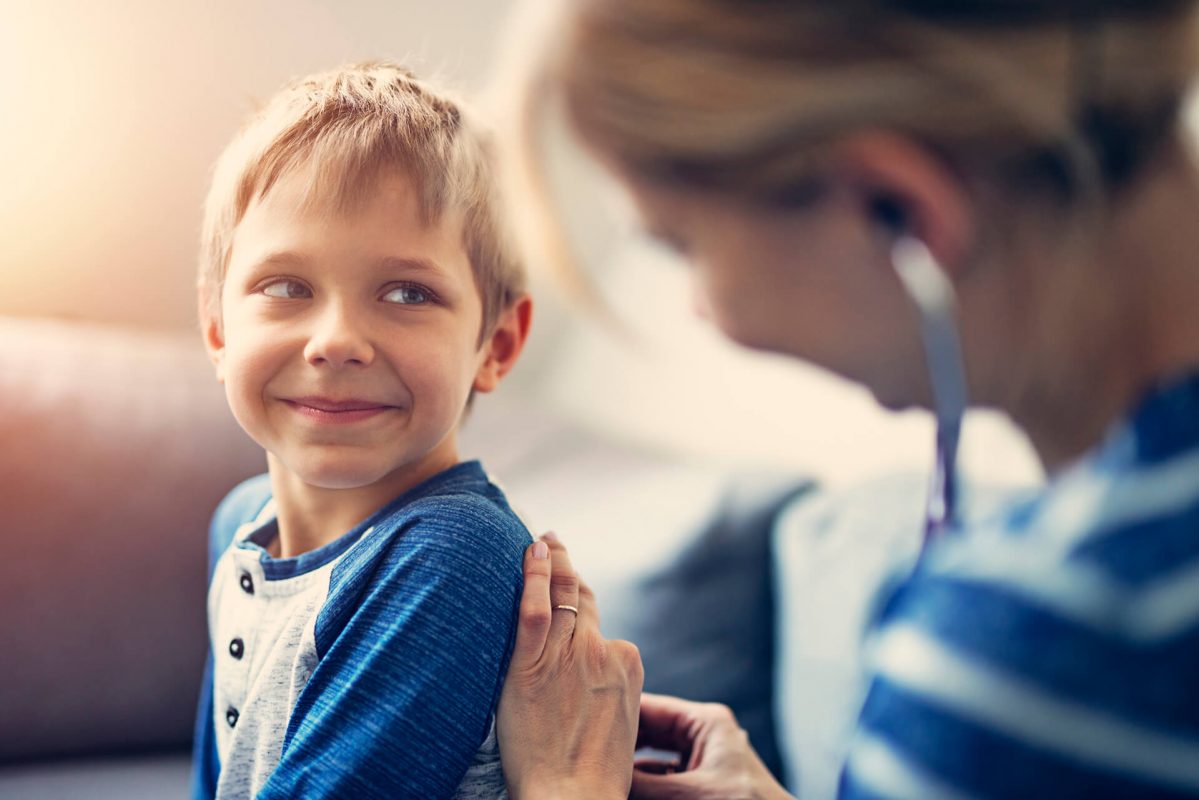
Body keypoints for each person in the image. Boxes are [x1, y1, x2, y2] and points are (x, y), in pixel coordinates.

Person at [493, 1, 1199, 798]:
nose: (701, 310)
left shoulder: (1043, 641)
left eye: (682, 244)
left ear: (898, 208)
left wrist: (564, 781)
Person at [189, 61, 536, 799]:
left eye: (407, 292)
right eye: (287, 287)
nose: (337, 340)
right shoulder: (239, 523)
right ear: (217, 328)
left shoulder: (451, 556)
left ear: (496, 345)